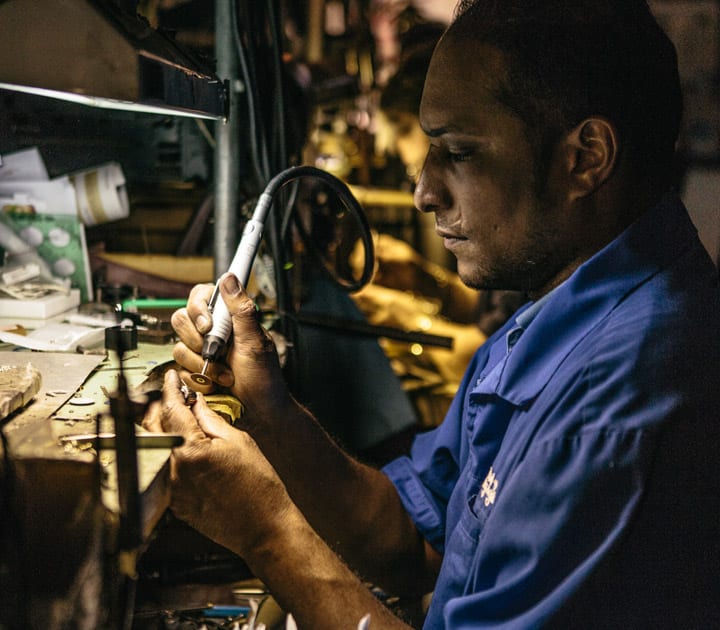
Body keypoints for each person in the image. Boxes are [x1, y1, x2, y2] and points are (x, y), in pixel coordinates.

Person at [144, 1, 720, 628]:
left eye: (460, 152)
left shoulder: (619, 398)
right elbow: (412, 539)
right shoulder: (555, 319)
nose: (424, 191)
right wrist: (268, 408)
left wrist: (266, 533)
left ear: (585, 157)